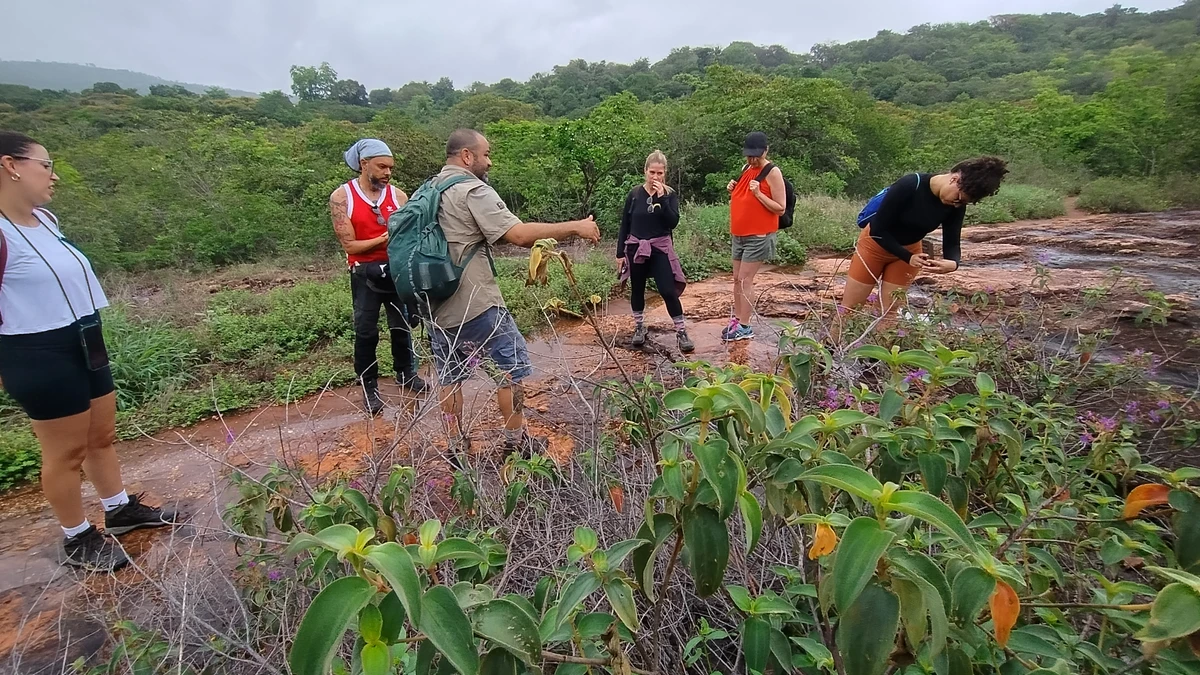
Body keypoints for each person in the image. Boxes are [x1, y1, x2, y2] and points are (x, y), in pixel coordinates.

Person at [0, 131, 178, 573]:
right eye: (45, 165)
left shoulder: (46, 221)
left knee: (100, 436)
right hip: (37, 348)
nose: (53, 175)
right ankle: (77, 537)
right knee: (65, 453)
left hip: (84, 335)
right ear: (11, 166)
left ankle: (119, 511)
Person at [427, 129, 600, 462]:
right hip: (476, 302)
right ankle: (514, 442)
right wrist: (575, 226)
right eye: (486, 154)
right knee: (510, 371)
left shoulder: (429, 189)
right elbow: (518, 235)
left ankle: (455, 446)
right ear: (467, 156)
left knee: (450, 377)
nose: (489, 161)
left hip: (435, 303)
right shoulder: (471, 190)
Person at [835, 157, 1009, 336]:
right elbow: (878, 230)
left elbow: (952, 242)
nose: (956, 203)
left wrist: (953, 263)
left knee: (890, 312)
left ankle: (878, 361)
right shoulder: (911, 185)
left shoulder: (956, 206)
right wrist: (907, 256)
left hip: (909, 253)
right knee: (850, 308)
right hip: (874, 247)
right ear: (955, 179)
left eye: (962, 203)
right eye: (958, 198)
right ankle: (828, 354)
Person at [329, 139, 426, 416]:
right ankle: (369, 385)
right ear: (364, 164)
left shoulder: (398, 196)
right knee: (366, 331)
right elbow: (350, 246)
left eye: (390, 168)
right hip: (364, 273)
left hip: (395, 270)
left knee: (402, 326)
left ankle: (406, 373)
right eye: (382, 166)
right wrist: (385, 238)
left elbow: (409, 239)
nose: (387, 172)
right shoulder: (342, 198)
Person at [616, 150, 692, 354]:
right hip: (635, 247)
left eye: (659, 173)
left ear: (665, 173)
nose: (655, 177)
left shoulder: (670, 194)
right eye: (652, 173)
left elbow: (673, 222)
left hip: (660, 248)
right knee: (638, 288)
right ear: (645, 171)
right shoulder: (634, 194)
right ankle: (639, 327)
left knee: (667, 290)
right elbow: (625, 223)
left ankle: (681, 331)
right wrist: (620, 254)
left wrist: (662, 198)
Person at [724, 131, 786, 342]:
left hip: (758, 236)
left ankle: (745, 326)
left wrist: (759, 194)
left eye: (756, 155)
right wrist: (733, 188)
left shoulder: (772, 172)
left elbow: (780, 208)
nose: (752, 159)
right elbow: (743, 196)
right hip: (739, 234)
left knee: (745, 280)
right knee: (736, 280)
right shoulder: (747, 169)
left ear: (766, 150)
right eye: (749, 155)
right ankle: (738, 319)